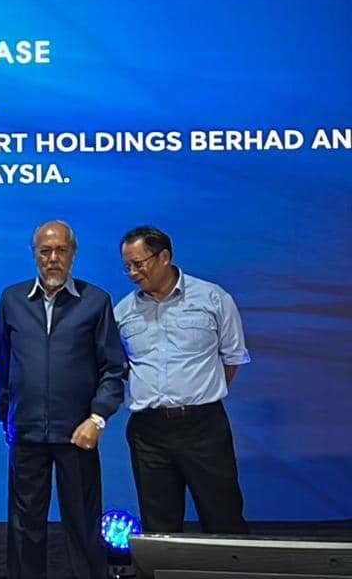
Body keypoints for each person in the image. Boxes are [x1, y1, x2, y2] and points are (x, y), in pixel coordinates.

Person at [0, 221, 127, 579]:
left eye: (61, 250)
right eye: (45, 251)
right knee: (24, 529)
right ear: (35, 254)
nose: (53, 258)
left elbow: (113, 369)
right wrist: (8, 415)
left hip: (78, 434)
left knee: (83, 526)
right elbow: (3, 364)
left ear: (73, 254)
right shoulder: (12, 299)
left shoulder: (96, 301)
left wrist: (97, 418)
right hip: (26, 433)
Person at [115, 225, 250, 534]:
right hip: (148, 432)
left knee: (223, 516)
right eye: (127, 266)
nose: (133, 273)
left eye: (138, 263)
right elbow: (121, 366)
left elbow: (232, 358)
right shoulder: (123, 312)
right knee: (159, 524)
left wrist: (197, 394)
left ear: (164, 257)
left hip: (204, 427)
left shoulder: (213, 298)